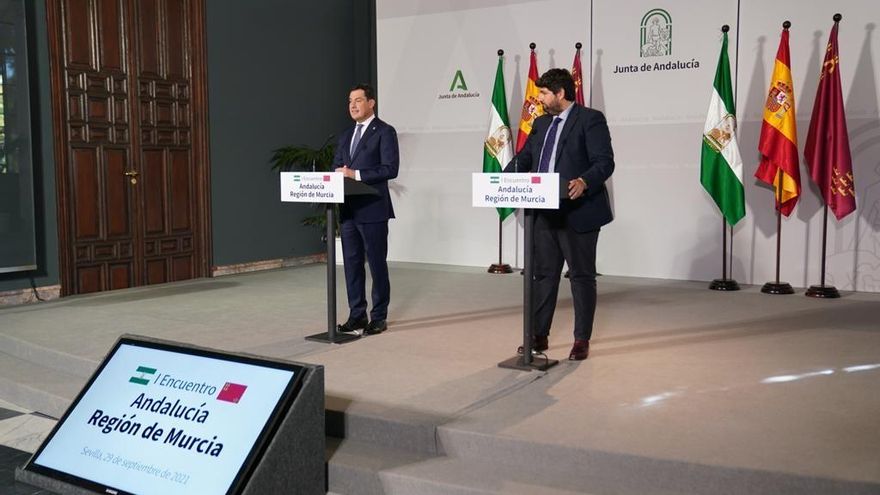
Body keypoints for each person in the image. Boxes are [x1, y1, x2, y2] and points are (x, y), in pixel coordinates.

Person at [503, 68, 615, 360]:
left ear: (560, 93)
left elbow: (604, 162)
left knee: (580, 276)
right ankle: (539, 336)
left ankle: (581, 340)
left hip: (578, 210)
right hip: (543, 211)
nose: (538, 98)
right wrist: (504, 176)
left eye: (543, 93)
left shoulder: (590, 119)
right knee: (544, 275)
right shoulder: (540, 124)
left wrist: (584, 181)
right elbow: (525, 158)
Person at [333, 83, 400, 336]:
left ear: (371, 103)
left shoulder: (384, 131)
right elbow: (337, 166)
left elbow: (389, 169)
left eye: (358, 100)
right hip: (348, 210)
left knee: (376, 264)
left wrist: (356, 174)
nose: (352, 105)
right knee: (351, 265)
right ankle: (356, 315)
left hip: (373, 209)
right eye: (350, 100)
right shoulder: (345, 135)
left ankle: (379, 316)